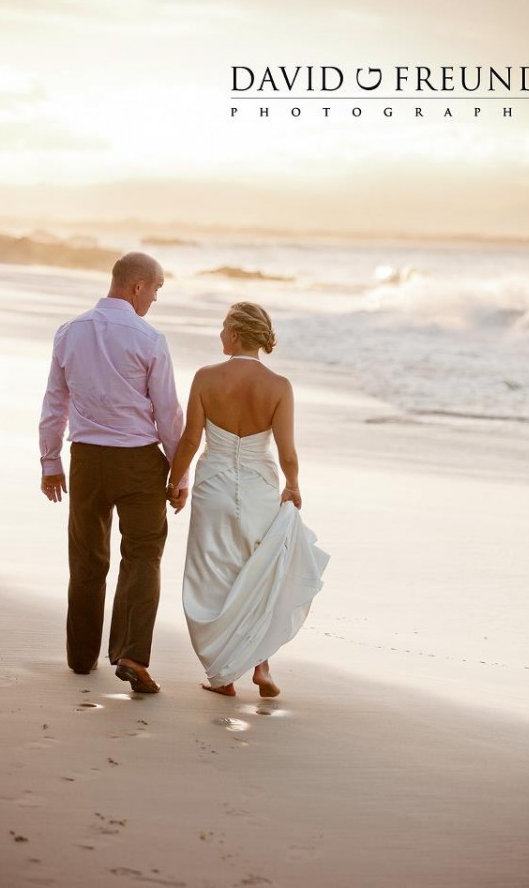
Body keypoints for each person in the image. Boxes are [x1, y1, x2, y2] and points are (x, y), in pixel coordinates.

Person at [39, 252, 187, 694]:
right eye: (156, 290)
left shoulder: (69, 332)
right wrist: (178, 477)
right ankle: (130, 655)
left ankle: (82, 657)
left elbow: (54, 404)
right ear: (137, 286)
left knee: (87, 558)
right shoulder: (150, 338)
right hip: (139, 460)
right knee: (142, 557)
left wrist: (51, 463)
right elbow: (168, 415)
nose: (155, 300)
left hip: (86, 459)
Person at [168, 301, 329, 697]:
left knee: (213, 571)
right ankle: (262, 666)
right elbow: (288, 451)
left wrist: (174, 481)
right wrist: (293, 484)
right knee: (258, 571)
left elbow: (191, 439)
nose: (220, 335)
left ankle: (223, 674)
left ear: (236, 333)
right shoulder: (279, 386)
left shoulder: (206, 378)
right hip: (258, 485)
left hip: (214, 484)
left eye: (223, 328)